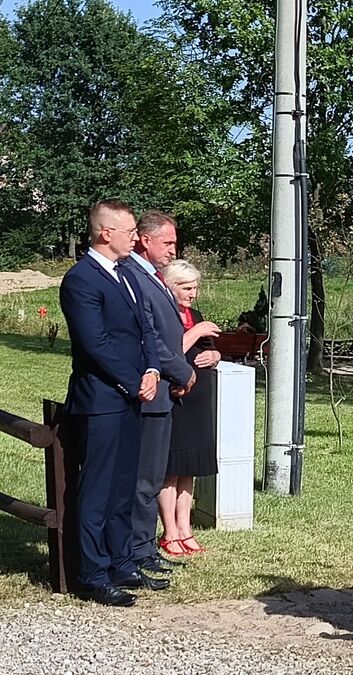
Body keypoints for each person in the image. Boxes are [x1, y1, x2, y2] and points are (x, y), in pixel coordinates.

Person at [59, 199, 163, 606]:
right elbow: (95, 342)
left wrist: (152, 370)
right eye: (130, 231)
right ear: (106, 233)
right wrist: (133, 381)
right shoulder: (81, 280)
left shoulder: (127, 275)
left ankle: (122, 561)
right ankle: (93, 573)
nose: (135, 237)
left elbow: (146, 330)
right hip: (101, 399)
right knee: (98, 489)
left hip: (133, 395)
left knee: (123, 485)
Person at [121, 211, 196, 576]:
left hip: (164, 391)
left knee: (151, 477)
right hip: (150, 390)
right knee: (144, 479)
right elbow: (149, 336)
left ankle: (144, 547)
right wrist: (182, 370)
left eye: (175, 243)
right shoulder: (133, 276)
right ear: (145, 240)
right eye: (167, 242)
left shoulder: (153, 276)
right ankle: (137, 550)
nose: (173, 249)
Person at [158, 260, 221, 555]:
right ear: (170, 287)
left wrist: (215, 356)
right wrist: (196, 332)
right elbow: (166, 354)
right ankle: (169, 532)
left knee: (189, 470)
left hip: (198, 403)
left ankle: (185, 529)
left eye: (195, 288)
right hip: (175, 401)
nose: (192, 294)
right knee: (171, 469)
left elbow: (209, 349)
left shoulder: (195, 316)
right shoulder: (163, 314)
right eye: (186, 288)